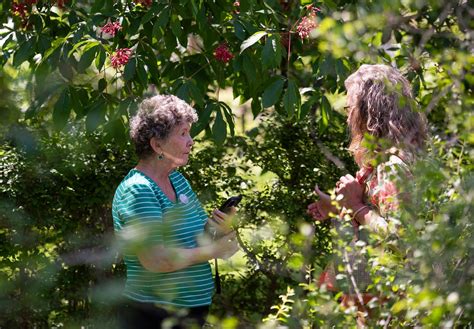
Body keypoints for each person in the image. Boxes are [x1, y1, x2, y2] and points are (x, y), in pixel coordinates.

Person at [307, 64, 427, 317]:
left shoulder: (393, 166)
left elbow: (401, 240)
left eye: (350, 108)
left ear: (369, 113)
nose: (347, 116)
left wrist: (355, 207)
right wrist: (338, 207)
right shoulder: (392, 159)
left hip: (388, 301)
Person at [112, 95, 239, 329]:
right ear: (157, 144)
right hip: (152, 316)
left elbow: (194, 240)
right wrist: (213, 251)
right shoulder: (139, 189)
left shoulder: (177, 181)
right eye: (183, 133)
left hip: (188, 315)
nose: (191, 141)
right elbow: (156, 259)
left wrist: (219, 231)